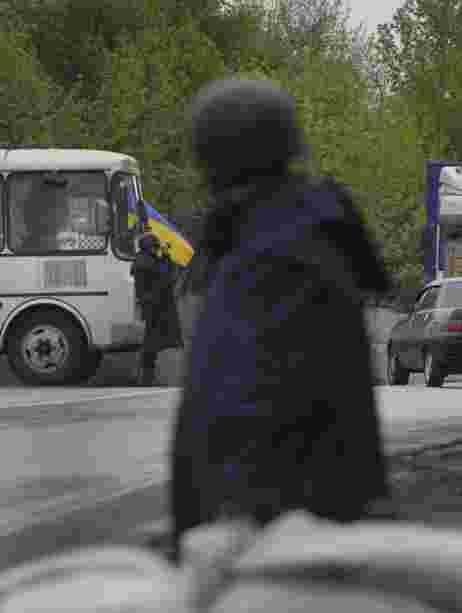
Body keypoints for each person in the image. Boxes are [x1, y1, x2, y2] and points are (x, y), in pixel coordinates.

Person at [169, 77, 395, 561]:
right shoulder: (295, 232)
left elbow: (234, 402)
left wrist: (212, 521)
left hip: (277, 530)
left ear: (213, 160)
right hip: (306, 519)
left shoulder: (275, 256)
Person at [131, 231, 184, 386]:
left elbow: (164, 276)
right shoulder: (148, 262)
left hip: (151, 305)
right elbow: (167, 278)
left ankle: (146, 378)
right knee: (150, 343)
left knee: (150, 342)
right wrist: (166, 257)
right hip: (155, 306)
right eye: (155, 247)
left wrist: (164, 257)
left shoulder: (143, 260)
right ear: (149, 247)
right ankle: (145, 379)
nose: (157, 249)